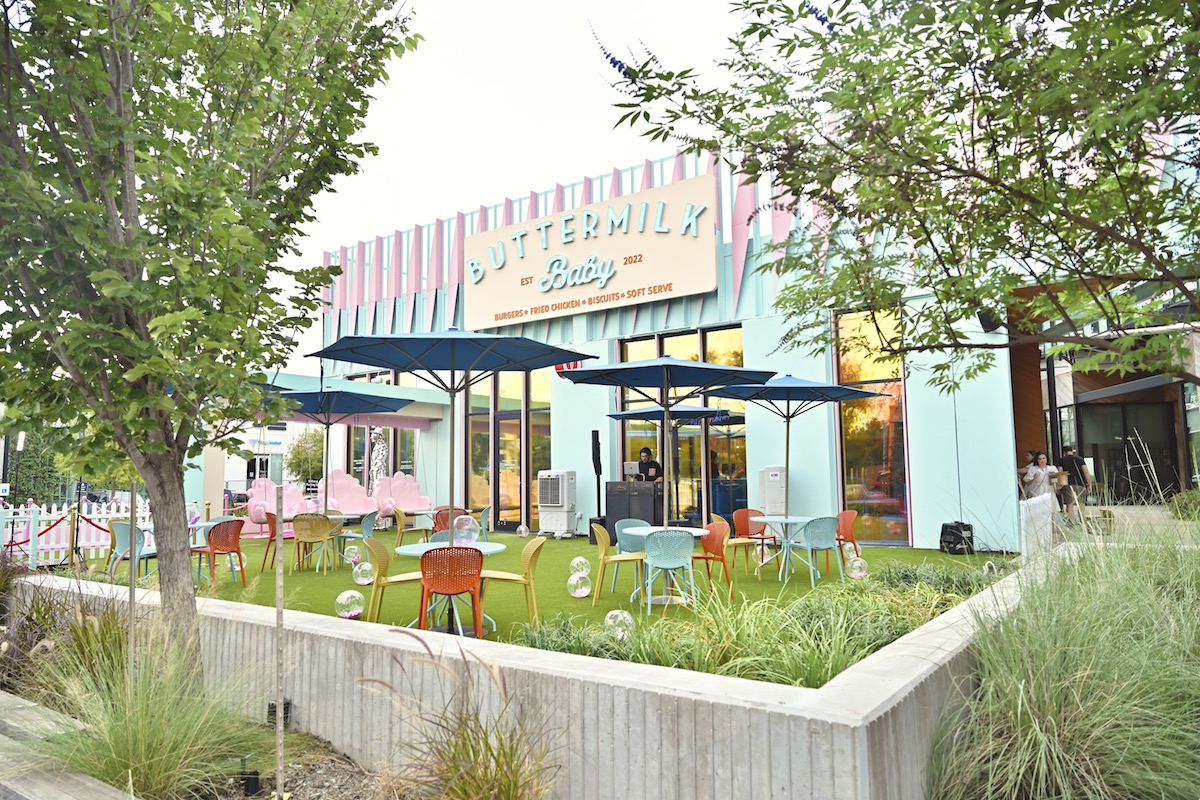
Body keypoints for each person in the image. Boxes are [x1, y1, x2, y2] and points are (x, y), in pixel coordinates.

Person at [1056, 445, 1094, 518]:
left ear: (1064, 452)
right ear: (1072, 451)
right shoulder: (1080, 459)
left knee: (1069, 505)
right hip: (1080, 484)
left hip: (1067, 485)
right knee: (1081, 505)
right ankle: (1082, 522)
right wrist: (1089, 484)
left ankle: (1072, 523)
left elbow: (1060, 474)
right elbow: (1086, 472)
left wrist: (1059, 486)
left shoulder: (1061, 460)